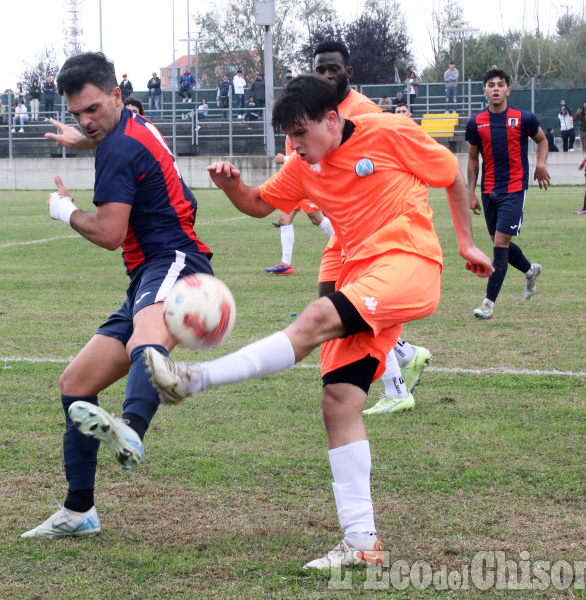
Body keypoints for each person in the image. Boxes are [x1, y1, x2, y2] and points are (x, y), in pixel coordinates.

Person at [144, 74, 493, 570]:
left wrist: (466, 243)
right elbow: (260, 204)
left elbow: (451, 176)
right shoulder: (301, 165)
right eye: (288, 136)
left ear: (333, 119)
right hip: (360, 273)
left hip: (409, 261)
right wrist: (232, 187)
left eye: (301, 133)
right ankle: (361, 542)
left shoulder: (389, 131)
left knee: (312, 319)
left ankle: (193, 379)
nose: (295, 145)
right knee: (339, 401)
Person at [22, 51, 213, 539]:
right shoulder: (133, 126)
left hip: (174, 262)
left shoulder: (117, 150)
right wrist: (87, 141)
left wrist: (63, 211)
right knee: (76, 383)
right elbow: (124, 147)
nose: (86, 122)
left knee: (143, 346)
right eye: (76, 115)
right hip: (148, 274)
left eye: (92, 110)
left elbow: (109, 232)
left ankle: (130, 427)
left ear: (115, 95)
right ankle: (79, 510)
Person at [277, 39, 434, 416]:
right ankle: (406, 354)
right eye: (320, 68)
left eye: (333, 68)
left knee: (345, 312)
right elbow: (304, 169)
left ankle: (397, 388)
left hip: (370, 232)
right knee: (332, 304)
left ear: (348, 73)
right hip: (342, 232)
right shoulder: (306, 111)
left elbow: (385, 163)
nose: (327, 75)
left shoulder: (364, 111)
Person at [465, 68, 549, 321]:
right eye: (491, 85)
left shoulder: (523, 118)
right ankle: (530, 270)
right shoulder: (475, 122)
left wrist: (541, 163)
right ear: (485, 91)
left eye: (501, 84)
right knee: (499, 243)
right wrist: (471, 191)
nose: (496, 89)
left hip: (514, 188)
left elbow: (542, 140)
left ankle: (488, 303)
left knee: (500, 245)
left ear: (508, 90)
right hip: (489, 191)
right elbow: (472, 160)